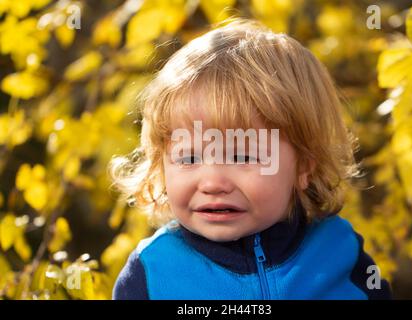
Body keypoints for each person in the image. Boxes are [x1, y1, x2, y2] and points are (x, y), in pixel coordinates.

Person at [109, 18, 392, 300]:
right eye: (189, 157)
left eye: (242, 156)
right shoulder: (152, 273)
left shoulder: (339, 252)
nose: (212, 182)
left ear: (305, 164)